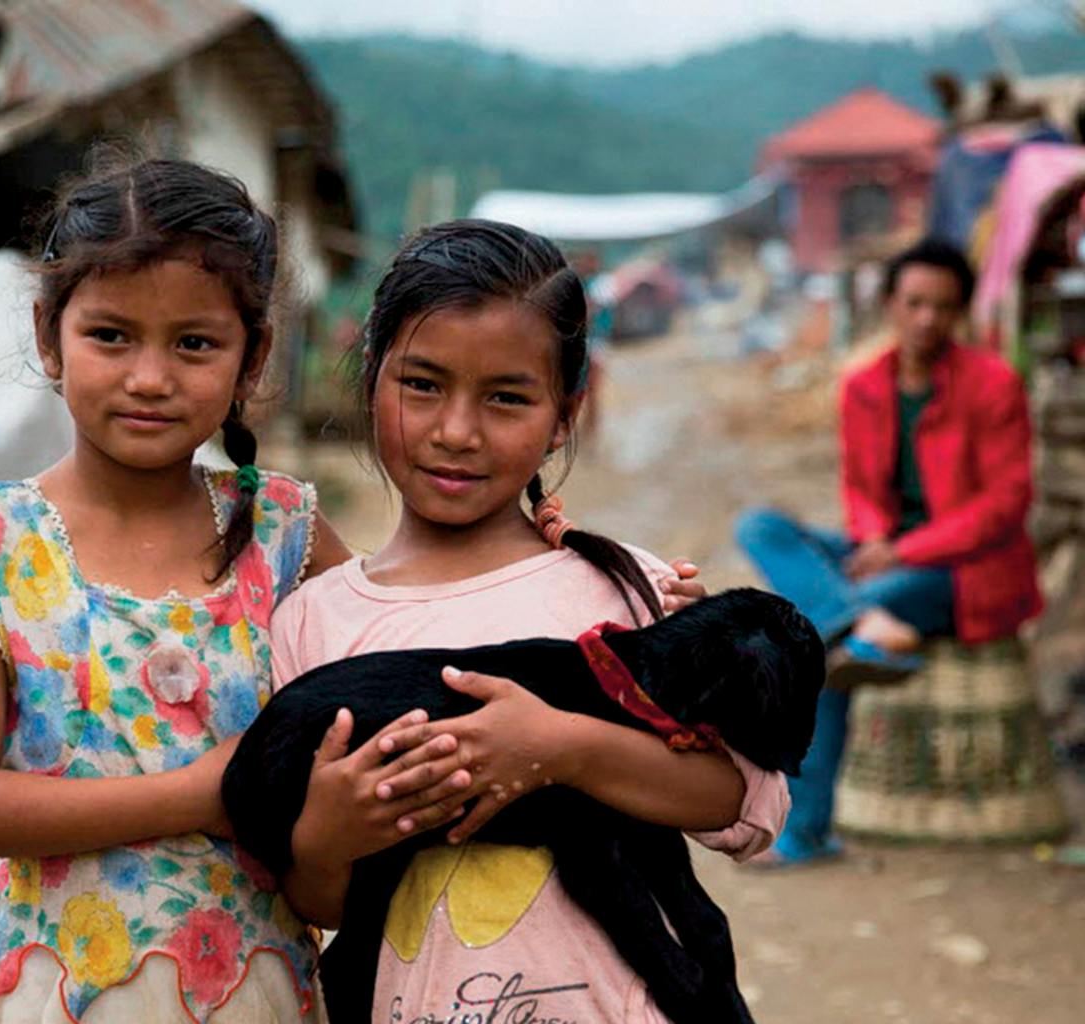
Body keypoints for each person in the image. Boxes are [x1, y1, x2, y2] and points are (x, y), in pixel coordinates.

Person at [0, 160, 710, 1022]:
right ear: (47, 334)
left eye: (194, 343)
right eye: (110, 336)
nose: (150, 376)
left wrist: (568, 562)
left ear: (252, 357)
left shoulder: (281, 532)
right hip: (56, 991)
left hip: (259, 983)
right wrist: (203, 794)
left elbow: (415, 632)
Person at [272, 220, 788, 1022]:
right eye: (421, 385)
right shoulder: (317, 623)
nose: (456, 431)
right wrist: (325, 835)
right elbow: (317, 902)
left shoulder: (626, 592)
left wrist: (562, 749)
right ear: (368, 381)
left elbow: (746, 806)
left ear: (563, 414)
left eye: (506, 397)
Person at [734, 237, 1044, 867]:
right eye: (915, 303)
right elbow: (859, 485)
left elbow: (1004, 506)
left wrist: (903, 551)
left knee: (812, 642)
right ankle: (857, 622)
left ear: (959, 313)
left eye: (943, 306)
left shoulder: (993, 384)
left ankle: (805, 832)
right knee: (759, 526)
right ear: (891, 305)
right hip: (887, 554)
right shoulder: (865, 385)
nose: (927, 318)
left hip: (966, 569)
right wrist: (875, 538)